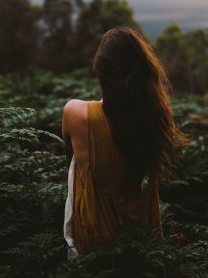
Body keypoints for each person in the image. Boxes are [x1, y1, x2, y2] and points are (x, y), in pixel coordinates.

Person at [62, 26, 187, 257]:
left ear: (101, 70)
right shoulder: (154, 120)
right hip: (140, 238)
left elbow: (71, 159)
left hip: (92, 237)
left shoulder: (75, 113)